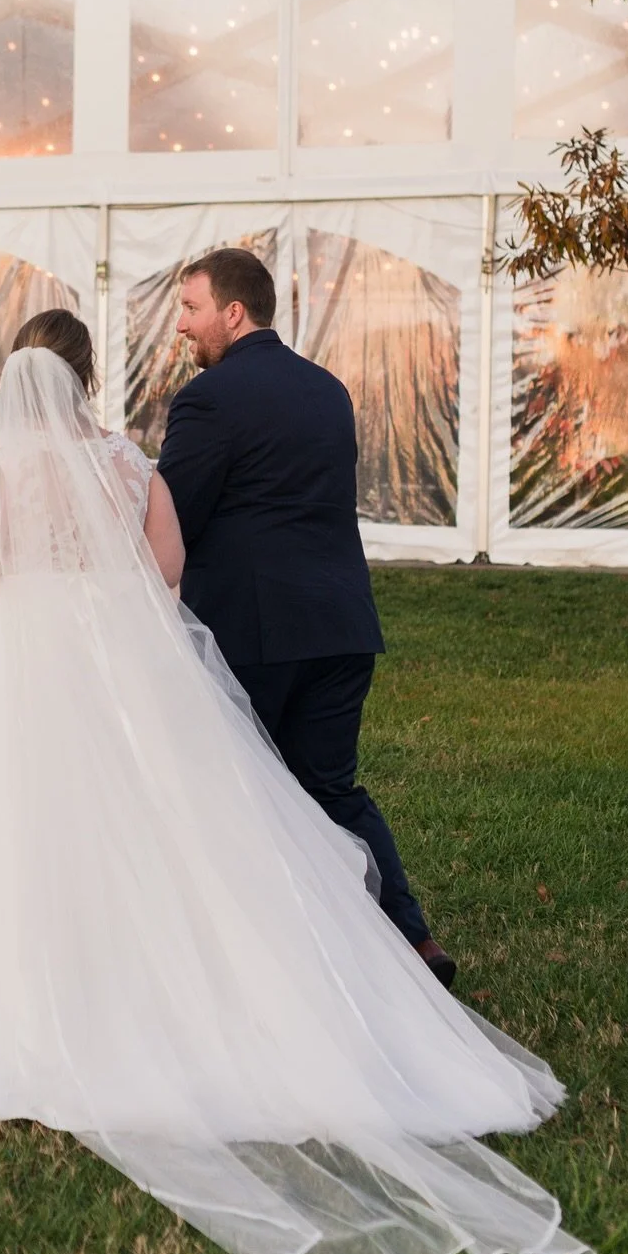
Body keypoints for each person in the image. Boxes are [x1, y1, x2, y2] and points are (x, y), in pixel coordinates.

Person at [0, 310, 593, 1254]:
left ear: (15, 373)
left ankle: (16, 1004)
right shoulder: (131, 465)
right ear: (88, 375)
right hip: (123, 667)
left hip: (3, 667)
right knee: (164, 842)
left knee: (0, 833)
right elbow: (167, 578)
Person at [155, 248, 456, 985]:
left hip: (252, 632)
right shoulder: (328, 391)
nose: (183, 329)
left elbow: (173, 520)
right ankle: (413, 943)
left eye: (191, 311)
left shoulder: (209, 400)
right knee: (329, 787)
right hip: (341, 622)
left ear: (233, 312)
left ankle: (266, 962)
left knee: (237, 791)